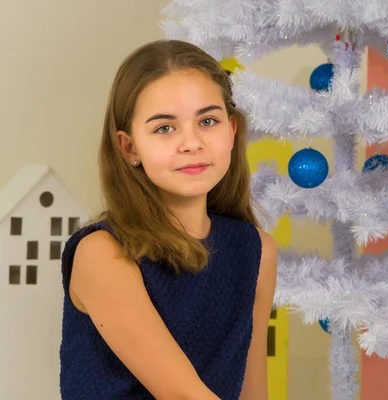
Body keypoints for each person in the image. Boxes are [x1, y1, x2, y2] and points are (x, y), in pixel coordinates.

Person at [59, 39, 277, 400]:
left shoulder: (256, 250)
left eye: (208, 121)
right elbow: (183, 395)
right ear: (129, 148)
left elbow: (252, 390)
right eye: (164, 128)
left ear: (232, 131)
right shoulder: (102, 253)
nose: (191, 143)